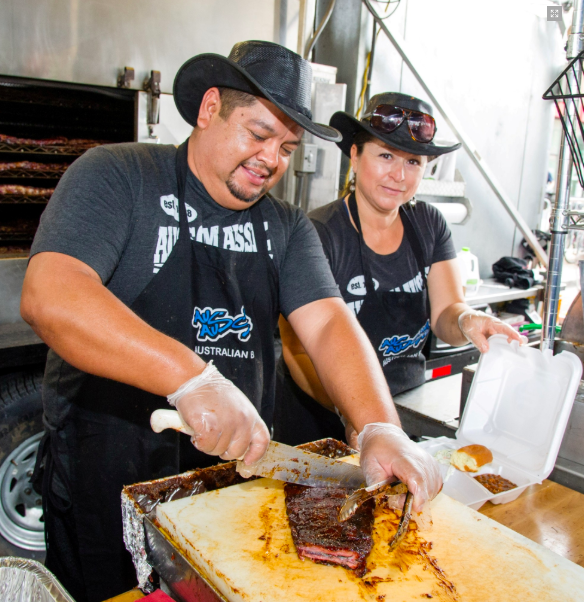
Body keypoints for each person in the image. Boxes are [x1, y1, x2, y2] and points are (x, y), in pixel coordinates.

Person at [21, 48, 442, 602]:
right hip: (106, 476)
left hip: (224, 487)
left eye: (287, 147)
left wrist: (377, 426)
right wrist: (191, 378)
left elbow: (328, 326)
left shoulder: (286, 227)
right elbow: (51, 294)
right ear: (210, 108)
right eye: (257, 133)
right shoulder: (119, 176)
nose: (271, 158)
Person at [275, 92, 525, 448]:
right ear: (355, 156)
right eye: (386, 155)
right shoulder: (317, 234)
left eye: (413, 162)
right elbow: (297, 352)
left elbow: (446, 315)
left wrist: (469, 321)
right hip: (324, 420)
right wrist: (354, 414)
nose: (398, 175)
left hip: (404, 412)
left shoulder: (429, 225)